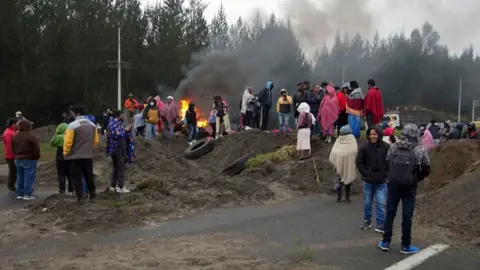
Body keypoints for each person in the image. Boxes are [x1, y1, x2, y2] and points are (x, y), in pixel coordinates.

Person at [378, 124, 430, 254]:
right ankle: (405, 246)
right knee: (407, 216)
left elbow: (387, 163)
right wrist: (414, 178)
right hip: (409, 187)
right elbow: (426, 169)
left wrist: (393, 176)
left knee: (390, 213)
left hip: (393, 184)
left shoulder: (394, 146)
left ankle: (385, 242)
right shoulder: (420, 149)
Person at [356, 126, 390, 233]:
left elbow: (390, 161)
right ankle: (367, 221)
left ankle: (380, 223)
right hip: (368, 181)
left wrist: (386, 174)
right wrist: (365, 173)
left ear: (379, 135)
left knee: (381, 203)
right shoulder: (364, 147)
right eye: (370, 134)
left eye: (374, 134)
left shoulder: (386, 147)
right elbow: (358, 161)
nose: (372, 136)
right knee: (367, 203)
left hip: (381, 181)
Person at [63, 105, 99, 203]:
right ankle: (93, 194)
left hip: (75, 157)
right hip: (88, 155)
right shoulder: (92, 125)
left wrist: (66, 153)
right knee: (89, 176)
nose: (71, 115)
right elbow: (95, 141)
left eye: (72, 113)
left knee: (77, 177)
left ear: (77, 113)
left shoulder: (72, 125)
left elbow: (67, 142)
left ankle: (80, 197)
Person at [106, 110, 134, 193]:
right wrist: (126, 129)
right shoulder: (113, 124)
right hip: (117, 148)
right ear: (118, 115)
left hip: (117, 148)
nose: (123, 117)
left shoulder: (117, 124)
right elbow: (118, 135)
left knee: (116, 168)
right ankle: (121, 186)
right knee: (121, 168)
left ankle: (113, 186)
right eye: (122, 115)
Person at [12, 120, 40, 200]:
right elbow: (36, 147)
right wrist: (36, 156)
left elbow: (12, 147)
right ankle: (28, 194)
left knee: (20, 176)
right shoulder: (31, 135)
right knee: (29, 177)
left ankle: (20, 193)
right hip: (29, 158)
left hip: (18, 158)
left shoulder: (15, 135)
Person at [329, 125, 358, 203]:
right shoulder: (339, 140)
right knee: (340, 180)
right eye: (341, 134)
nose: (342, 135)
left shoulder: (351, 140)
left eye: (343, 134)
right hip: (342, 165)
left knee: (346, 180)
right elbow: (334, 152)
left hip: (347, 164)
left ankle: (346, 196)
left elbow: (354, 151)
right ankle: (339, 196)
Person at [50, 122, 73, 195]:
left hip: (60, 158)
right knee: (70, 175)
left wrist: (56, 134)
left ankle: (62, 190)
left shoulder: (58, 137)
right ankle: (71, 190)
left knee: (61, 175)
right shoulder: (70, 136)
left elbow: (52, 143)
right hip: (70, 158)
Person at [3, 118, 18, 194]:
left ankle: (12, 186)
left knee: (14, 171)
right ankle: (11, 187)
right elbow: (9, 146)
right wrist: (12, 156)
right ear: (13, 124)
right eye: (16, 123)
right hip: (10, 156)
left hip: (12, 155)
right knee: (13, 172)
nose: (17, 125)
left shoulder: (12, 131)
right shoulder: (8, 133)